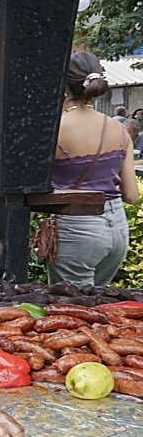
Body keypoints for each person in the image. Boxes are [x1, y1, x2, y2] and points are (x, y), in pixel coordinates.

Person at [50, 52, 140, 286]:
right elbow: (131, 195)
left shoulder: (54, 130)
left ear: (64, 87)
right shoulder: (120, 130)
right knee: (98, 309)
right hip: (117, 229)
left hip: (77, 228)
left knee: (73, 312)